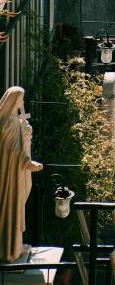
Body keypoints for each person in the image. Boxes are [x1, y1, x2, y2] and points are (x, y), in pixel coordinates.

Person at [0, 87, 43, 262]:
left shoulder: (14, 121)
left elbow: (18, 148)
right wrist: (27, 163)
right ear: (13, 100)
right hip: (8, 176)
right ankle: (8, 250)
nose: (22, 103)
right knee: (9, 207)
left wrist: (26, 137)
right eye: (21, 99)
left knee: (15, 207)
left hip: (13, 173)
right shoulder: (7, 124)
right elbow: (11, 152)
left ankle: (14, 246)